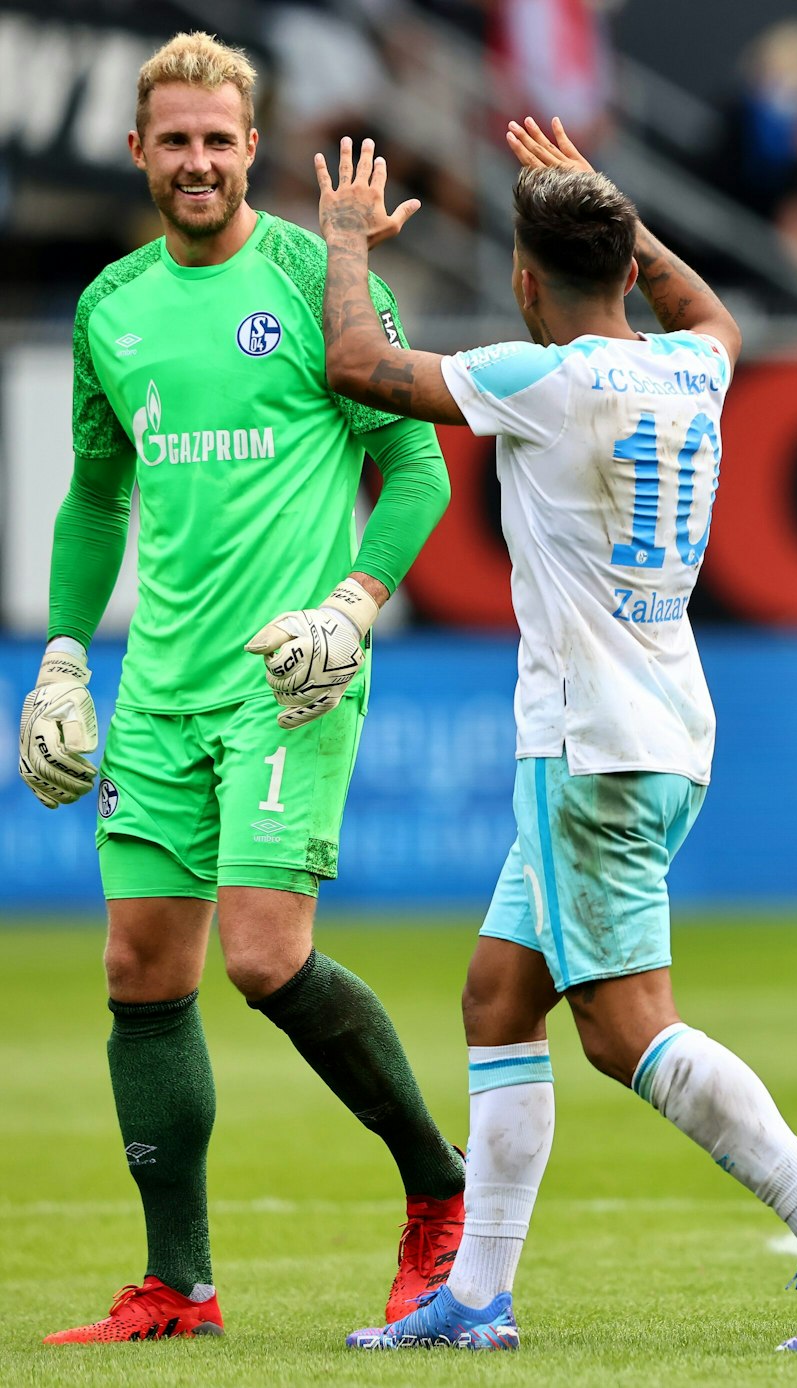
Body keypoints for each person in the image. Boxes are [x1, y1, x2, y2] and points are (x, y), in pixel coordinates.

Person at [319, 118, 797, 1353]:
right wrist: (614, 207)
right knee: (498, 995)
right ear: (631, 267)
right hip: (669, 720)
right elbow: (716, 312)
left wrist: (343, 244)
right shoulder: (699, 364)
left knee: (624, 1026)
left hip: (588, 744)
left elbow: (361, 369)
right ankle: (477, 1297)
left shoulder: (542, 380)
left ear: (525, 282)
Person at [18, 32, 464, 1345]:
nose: (198, 160)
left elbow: (420, 468)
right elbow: (98, 496)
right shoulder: (112, 306)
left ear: (252, 148)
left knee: (266, 959)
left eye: (220, 139)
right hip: (157, 690)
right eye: (176, 140)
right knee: (141, 976)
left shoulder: (318, 279)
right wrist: (60, 652)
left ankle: (439, 1192)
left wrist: (351, 607)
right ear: (139, 150)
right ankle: (179, 1287)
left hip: (289, 681)